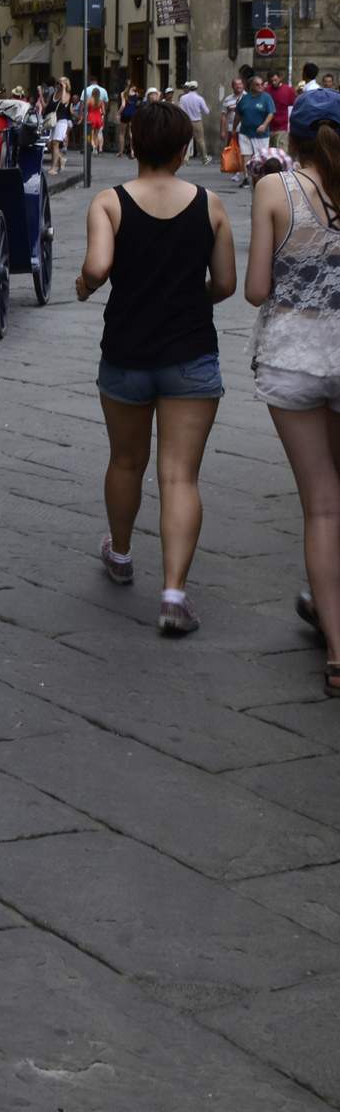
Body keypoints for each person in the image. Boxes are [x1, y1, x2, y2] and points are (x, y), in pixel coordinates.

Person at [76, 100, 236, 636]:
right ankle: (173, 594)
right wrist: (189, 298)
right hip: (190, 353)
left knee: (126, 462)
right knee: (179, 475)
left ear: (134, 145)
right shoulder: (210, 203)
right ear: (185, 149)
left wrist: (85, 284)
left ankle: (120, 554)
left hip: (125, 353)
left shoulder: (111, 201)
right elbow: (228, 285)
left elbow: (98, 267)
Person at [244, 87, 340, 696]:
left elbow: (256, 289)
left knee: (322, 506)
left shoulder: (274, 190)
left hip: (294, 359)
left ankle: (337, 649)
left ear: (293, 138)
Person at [235, 71, 276, 184]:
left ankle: (261, 177)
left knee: (261, 156)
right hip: (245, 132)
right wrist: (234, 129)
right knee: (245, 155)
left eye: (261, 84)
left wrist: (264, 125)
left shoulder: (266, 98)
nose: (260, 87)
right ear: (251, 86)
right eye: (257, 84)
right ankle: (246, 178)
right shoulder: (244, 99)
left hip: (261, 134)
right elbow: (238, 114)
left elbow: (271, 113)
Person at [178, 79, 210, 162]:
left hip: (187, 121)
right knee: (201, 140)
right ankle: (204, 158)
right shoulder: (199, 98)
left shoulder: (183, 98)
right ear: (197, 87)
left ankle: (185, 158)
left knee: (187, 140)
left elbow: (180, 110)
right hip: (197, 121)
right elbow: (206, 111)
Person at [83, 79, 109, 154]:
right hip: (98, 118)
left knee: (90, 133)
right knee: (96, 134)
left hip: (91, 117)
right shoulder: (101, 101)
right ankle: (96, 149)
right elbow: (103, 112)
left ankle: (93, 146)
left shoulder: (89, 100)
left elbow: (85, 109)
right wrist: (102, 116)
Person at [270, 70, 296, 139]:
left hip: (283, 127)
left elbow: (293, 107)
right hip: (269, 127)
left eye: (275, 80)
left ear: (280, 78)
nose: (273, 83)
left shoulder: (288, 90)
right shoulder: (267, 90)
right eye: (271, 81)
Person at [118, 84, 141, 157]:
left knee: (122, 133)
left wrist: (118, 113)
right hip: (133, 114)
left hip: (125, 114)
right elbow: (137, 104)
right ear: (132, 87)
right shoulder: (136, 94)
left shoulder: (123, 94)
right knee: (131, 133)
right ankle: (132, 151)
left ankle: (121, 152)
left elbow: (123, 105)